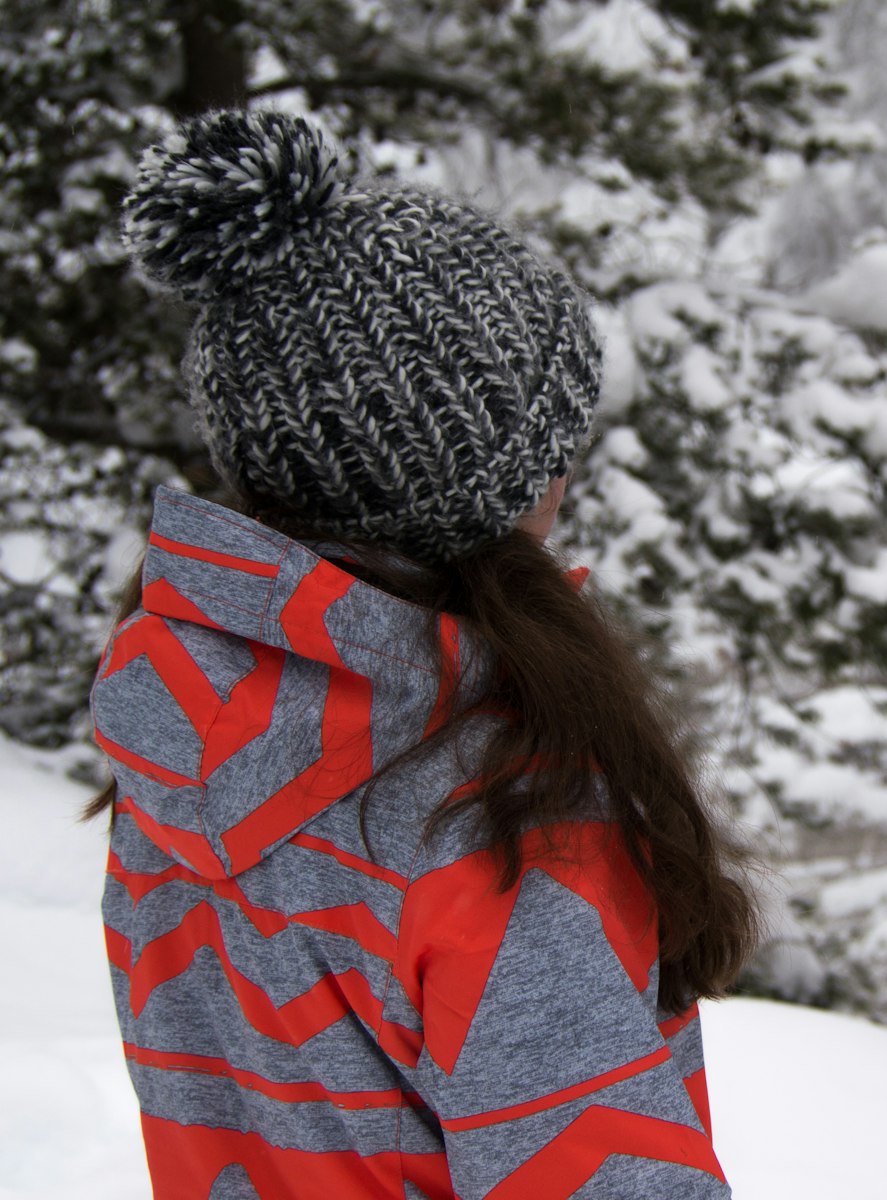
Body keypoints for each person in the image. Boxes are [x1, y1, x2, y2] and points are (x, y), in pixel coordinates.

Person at [86, 110, 759, 1200]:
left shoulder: (184, 736)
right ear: (468, 485)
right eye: (550, 446)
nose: (566, 476)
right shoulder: (493, 817)